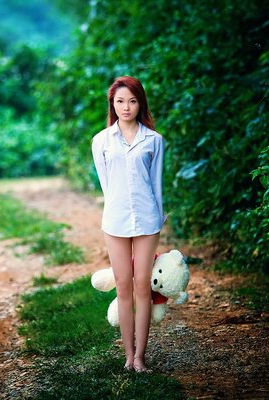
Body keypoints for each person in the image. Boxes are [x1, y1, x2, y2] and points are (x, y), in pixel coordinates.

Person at [91, 76, 166, 373]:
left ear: (140, 104)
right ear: (112, 103)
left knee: (141, 287)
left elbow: (157, 185)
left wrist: (158, 217)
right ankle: (127, 355)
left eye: (132, 101)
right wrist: (115, 211)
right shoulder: (101, 141)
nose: (126, 107)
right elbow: (106, 186)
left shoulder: (154, 141)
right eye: (120, 101)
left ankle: (140, 358)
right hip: (115, 220)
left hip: (147, 220)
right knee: (123, 286)